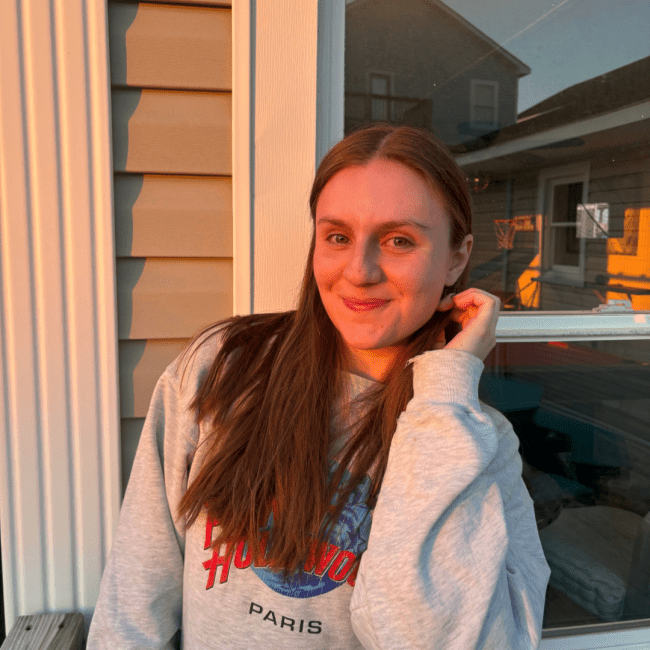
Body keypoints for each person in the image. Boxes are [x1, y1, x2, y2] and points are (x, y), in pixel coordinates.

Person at [87, 124, 550, 649]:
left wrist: (445, 391)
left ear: (456, 259)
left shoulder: (473, 442)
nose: (359, 270)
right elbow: (134, 601)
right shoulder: (224, 367)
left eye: (399, 240)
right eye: (337, 237)